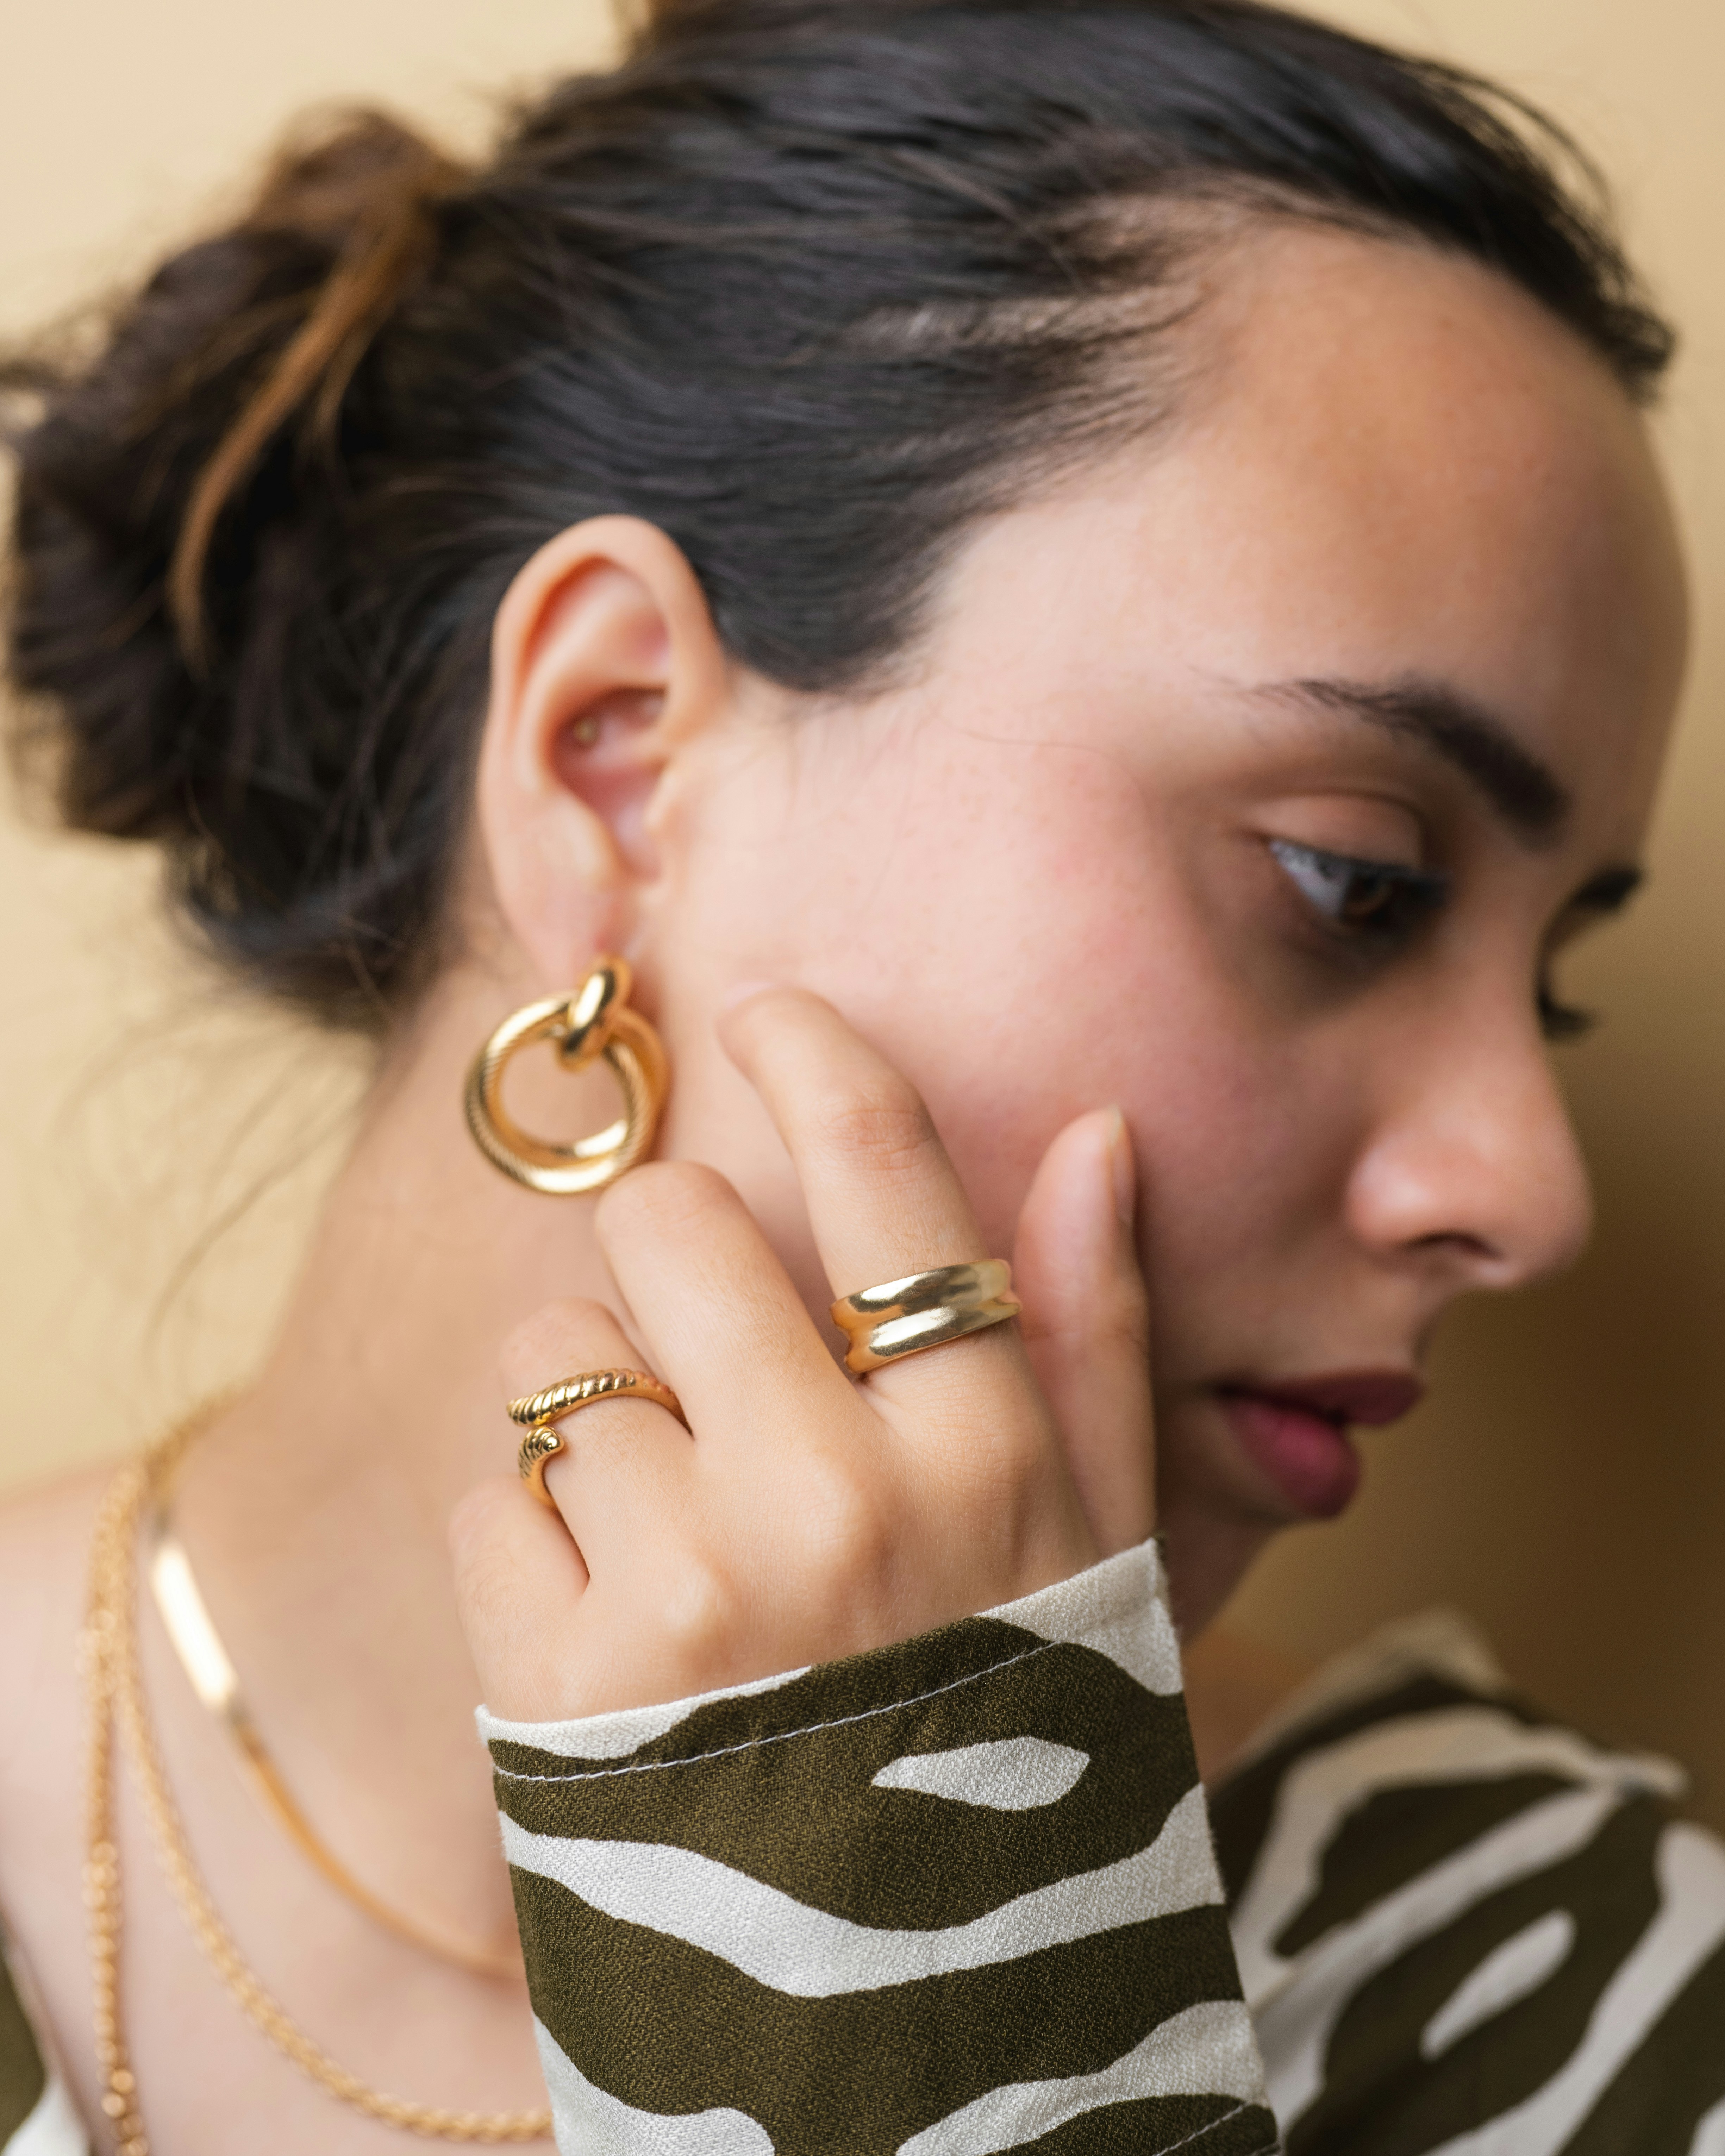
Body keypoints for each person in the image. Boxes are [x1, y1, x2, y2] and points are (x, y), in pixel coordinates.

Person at [0, 0, 1720, 2148]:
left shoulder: (1595, 2024)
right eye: (1351, 883)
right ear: (611, 763)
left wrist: (937, 1974)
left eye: (1548, 980)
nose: (1523, 1192)